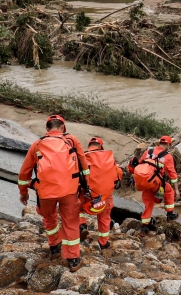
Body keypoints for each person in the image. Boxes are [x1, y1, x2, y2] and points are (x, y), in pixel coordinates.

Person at [18, 115, 89, 272]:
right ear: (63, 128)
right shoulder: (72, 140)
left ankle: (55, 248)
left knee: (49, 219)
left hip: (45, 192)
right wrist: (87, 187)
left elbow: (24, 173)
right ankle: (73, 259)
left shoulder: (37, 144)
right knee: (70, 222)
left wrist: (23, 193)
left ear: (47, 129)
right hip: (69, 190)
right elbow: (84, 166)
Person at [128, 136, 179, 231]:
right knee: (169, 191)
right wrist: (176, 189)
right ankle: (170, 214)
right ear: (168, 145)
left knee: (148, 203)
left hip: (145, 182)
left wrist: (134, 179)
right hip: (156, 183)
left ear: (159, 143)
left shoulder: (148, 152)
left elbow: (139, 165)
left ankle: (144, 225)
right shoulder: (167, 156)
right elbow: (172, 174)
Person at [83, 136, 123, 250]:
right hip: (105, 196)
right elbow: (118, 174)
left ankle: (81, 225)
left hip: (88, 195)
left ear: (89, 146)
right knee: (105, 218)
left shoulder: (83, 157)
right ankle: (103, 243)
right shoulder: (109, 158)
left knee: (78, 211)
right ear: (101, 146)